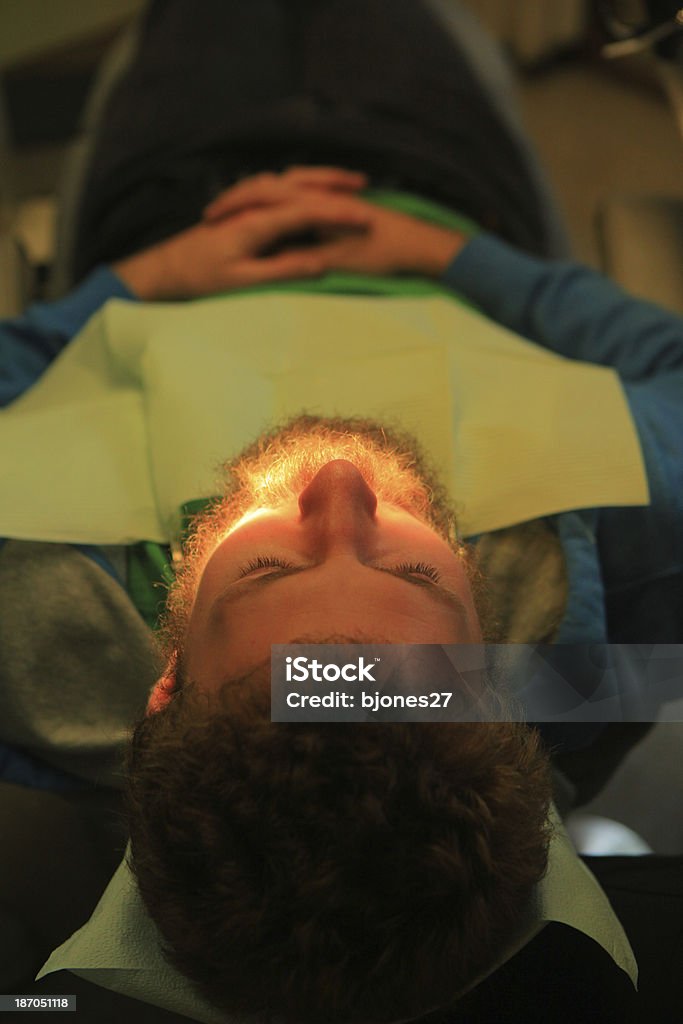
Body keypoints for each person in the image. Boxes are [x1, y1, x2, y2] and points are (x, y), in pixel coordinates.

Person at [1, 1, 682, 1021]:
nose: (340, 488)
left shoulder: (41, 592)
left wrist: (133, 279)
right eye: (410, 570)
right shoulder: (593, 534)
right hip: (429, 190)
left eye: (270, 567)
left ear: (168, 680)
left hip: (176, 207)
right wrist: (448, 253)